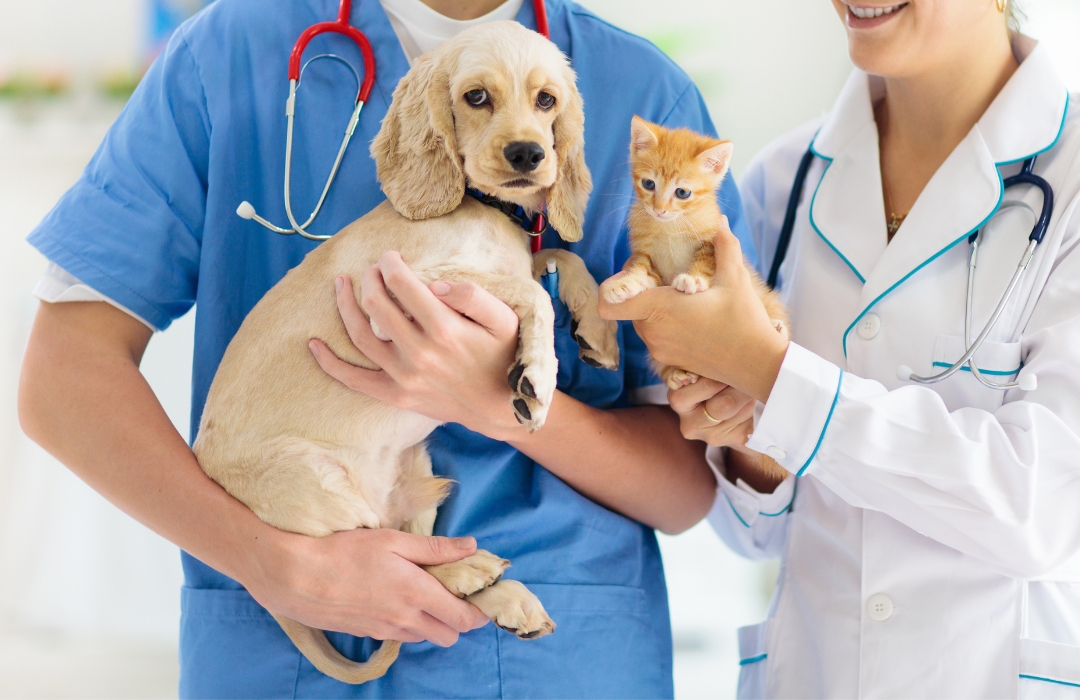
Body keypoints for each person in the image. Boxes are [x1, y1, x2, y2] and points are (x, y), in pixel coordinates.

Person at [17, 0, 754, 697]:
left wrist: (497, 403)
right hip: (281, 653)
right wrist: (268, 559)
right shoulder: (227, 55)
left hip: (554, 656)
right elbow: (63, 379)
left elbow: (691, 485)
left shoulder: (645, 95)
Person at [601, 0, 1080, 696]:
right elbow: (753, 533)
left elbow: (1043, 511)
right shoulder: (782, 181)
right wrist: (743, 431)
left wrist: (768, 373)